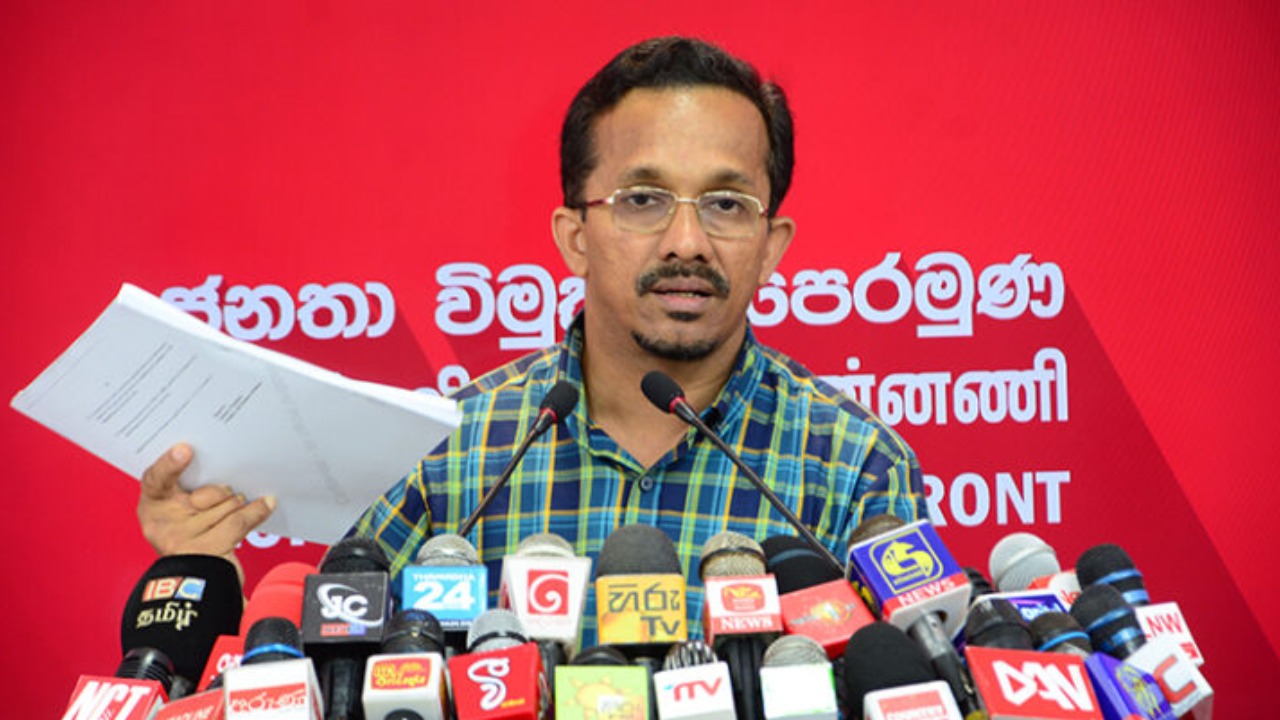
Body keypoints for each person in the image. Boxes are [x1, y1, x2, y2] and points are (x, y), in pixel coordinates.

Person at [137, 36, 927, 640]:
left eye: (725, 205)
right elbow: (344, 662)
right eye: (643, 199)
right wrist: (203, 566)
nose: (687, 242)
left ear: (772, 245)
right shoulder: (449, 454)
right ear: (575, 237)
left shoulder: (855, 466)